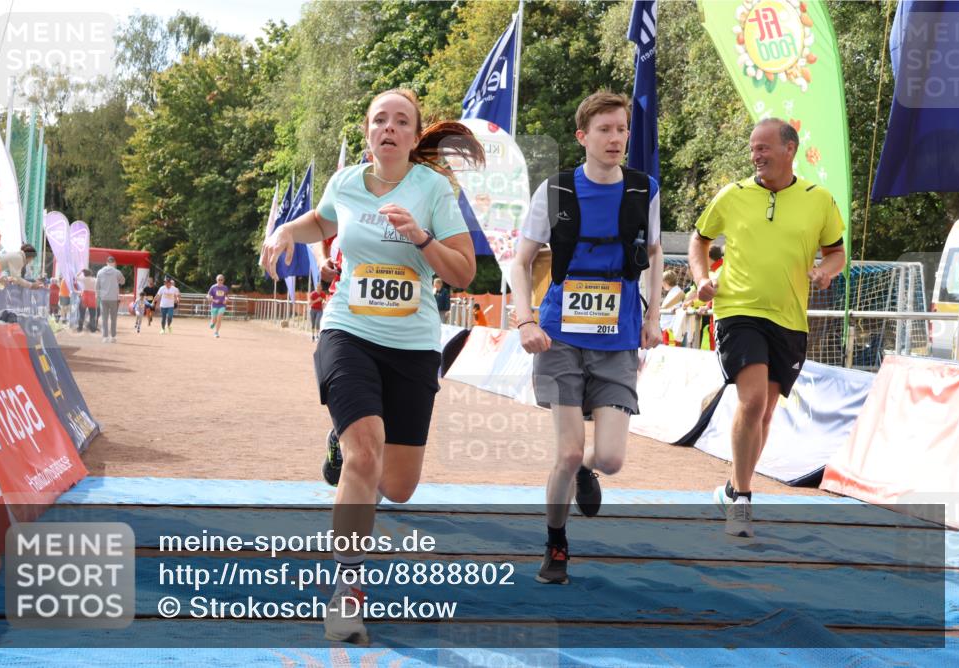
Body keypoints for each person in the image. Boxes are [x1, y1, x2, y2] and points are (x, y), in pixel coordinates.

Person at [260, 88, 483, 645]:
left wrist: (421, 237)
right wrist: (288, 230)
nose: (389, 128)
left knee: (399, 485)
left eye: (400, 121)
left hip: (412, 346)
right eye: (379, 120)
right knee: (366, 451)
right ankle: (348, 589)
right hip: (348, 332)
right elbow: (322, 219)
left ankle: (345, 446)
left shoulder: (433, 189)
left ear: (413, 136)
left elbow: (462, 272)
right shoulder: (346, 183)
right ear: (368, 133)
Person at [511, 91, 663, 585]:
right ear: (583, 137)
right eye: (605, 130)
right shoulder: (555, 191)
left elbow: (656, 252)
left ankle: (584, 473)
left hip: (618, 336)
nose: (616, 138)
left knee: (612, 459)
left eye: (622, 129)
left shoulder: (645, 191)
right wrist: (524, 319)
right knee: (570, 449)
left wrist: (653, 315)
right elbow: (521, 260)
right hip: (559, 337)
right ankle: (556, 543)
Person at [691, 118, 845, 538]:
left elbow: (836, 252)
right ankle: (742, 498)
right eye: (753, 148)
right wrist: (701, 278)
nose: (756, 155)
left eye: (764, 148)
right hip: (737, 309)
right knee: (753, 399)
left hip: (789, 319)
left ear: (790, 149)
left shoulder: (819, 199)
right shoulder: (733, 195)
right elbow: (700, 239)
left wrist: (826, 272)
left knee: (765, 412)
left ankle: (730, 488)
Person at [96, 256, 126, 343]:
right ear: (114, 263)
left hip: (103, 298)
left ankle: (105, 337)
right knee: (113, 318)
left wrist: (98, 296)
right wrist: (118, 281)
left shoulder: (100, 272)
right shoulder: (117, 272)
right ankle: (113, 337)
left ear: (106, 263)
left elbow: (97, 285)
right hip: (114, 298)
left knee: (104, 318)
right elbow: (123, 281)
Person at [77, 269, 98, 333]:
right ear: (91, 273)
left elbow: (76, 277)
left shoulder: (84, 279)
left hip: (85, 296)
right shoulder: (95, 279)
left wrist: (80, 271)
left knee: (81, 313)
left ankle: (80, 328)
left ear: (84, 274)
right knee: (92, 314)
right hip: (92, 296)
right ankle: (92, 328)